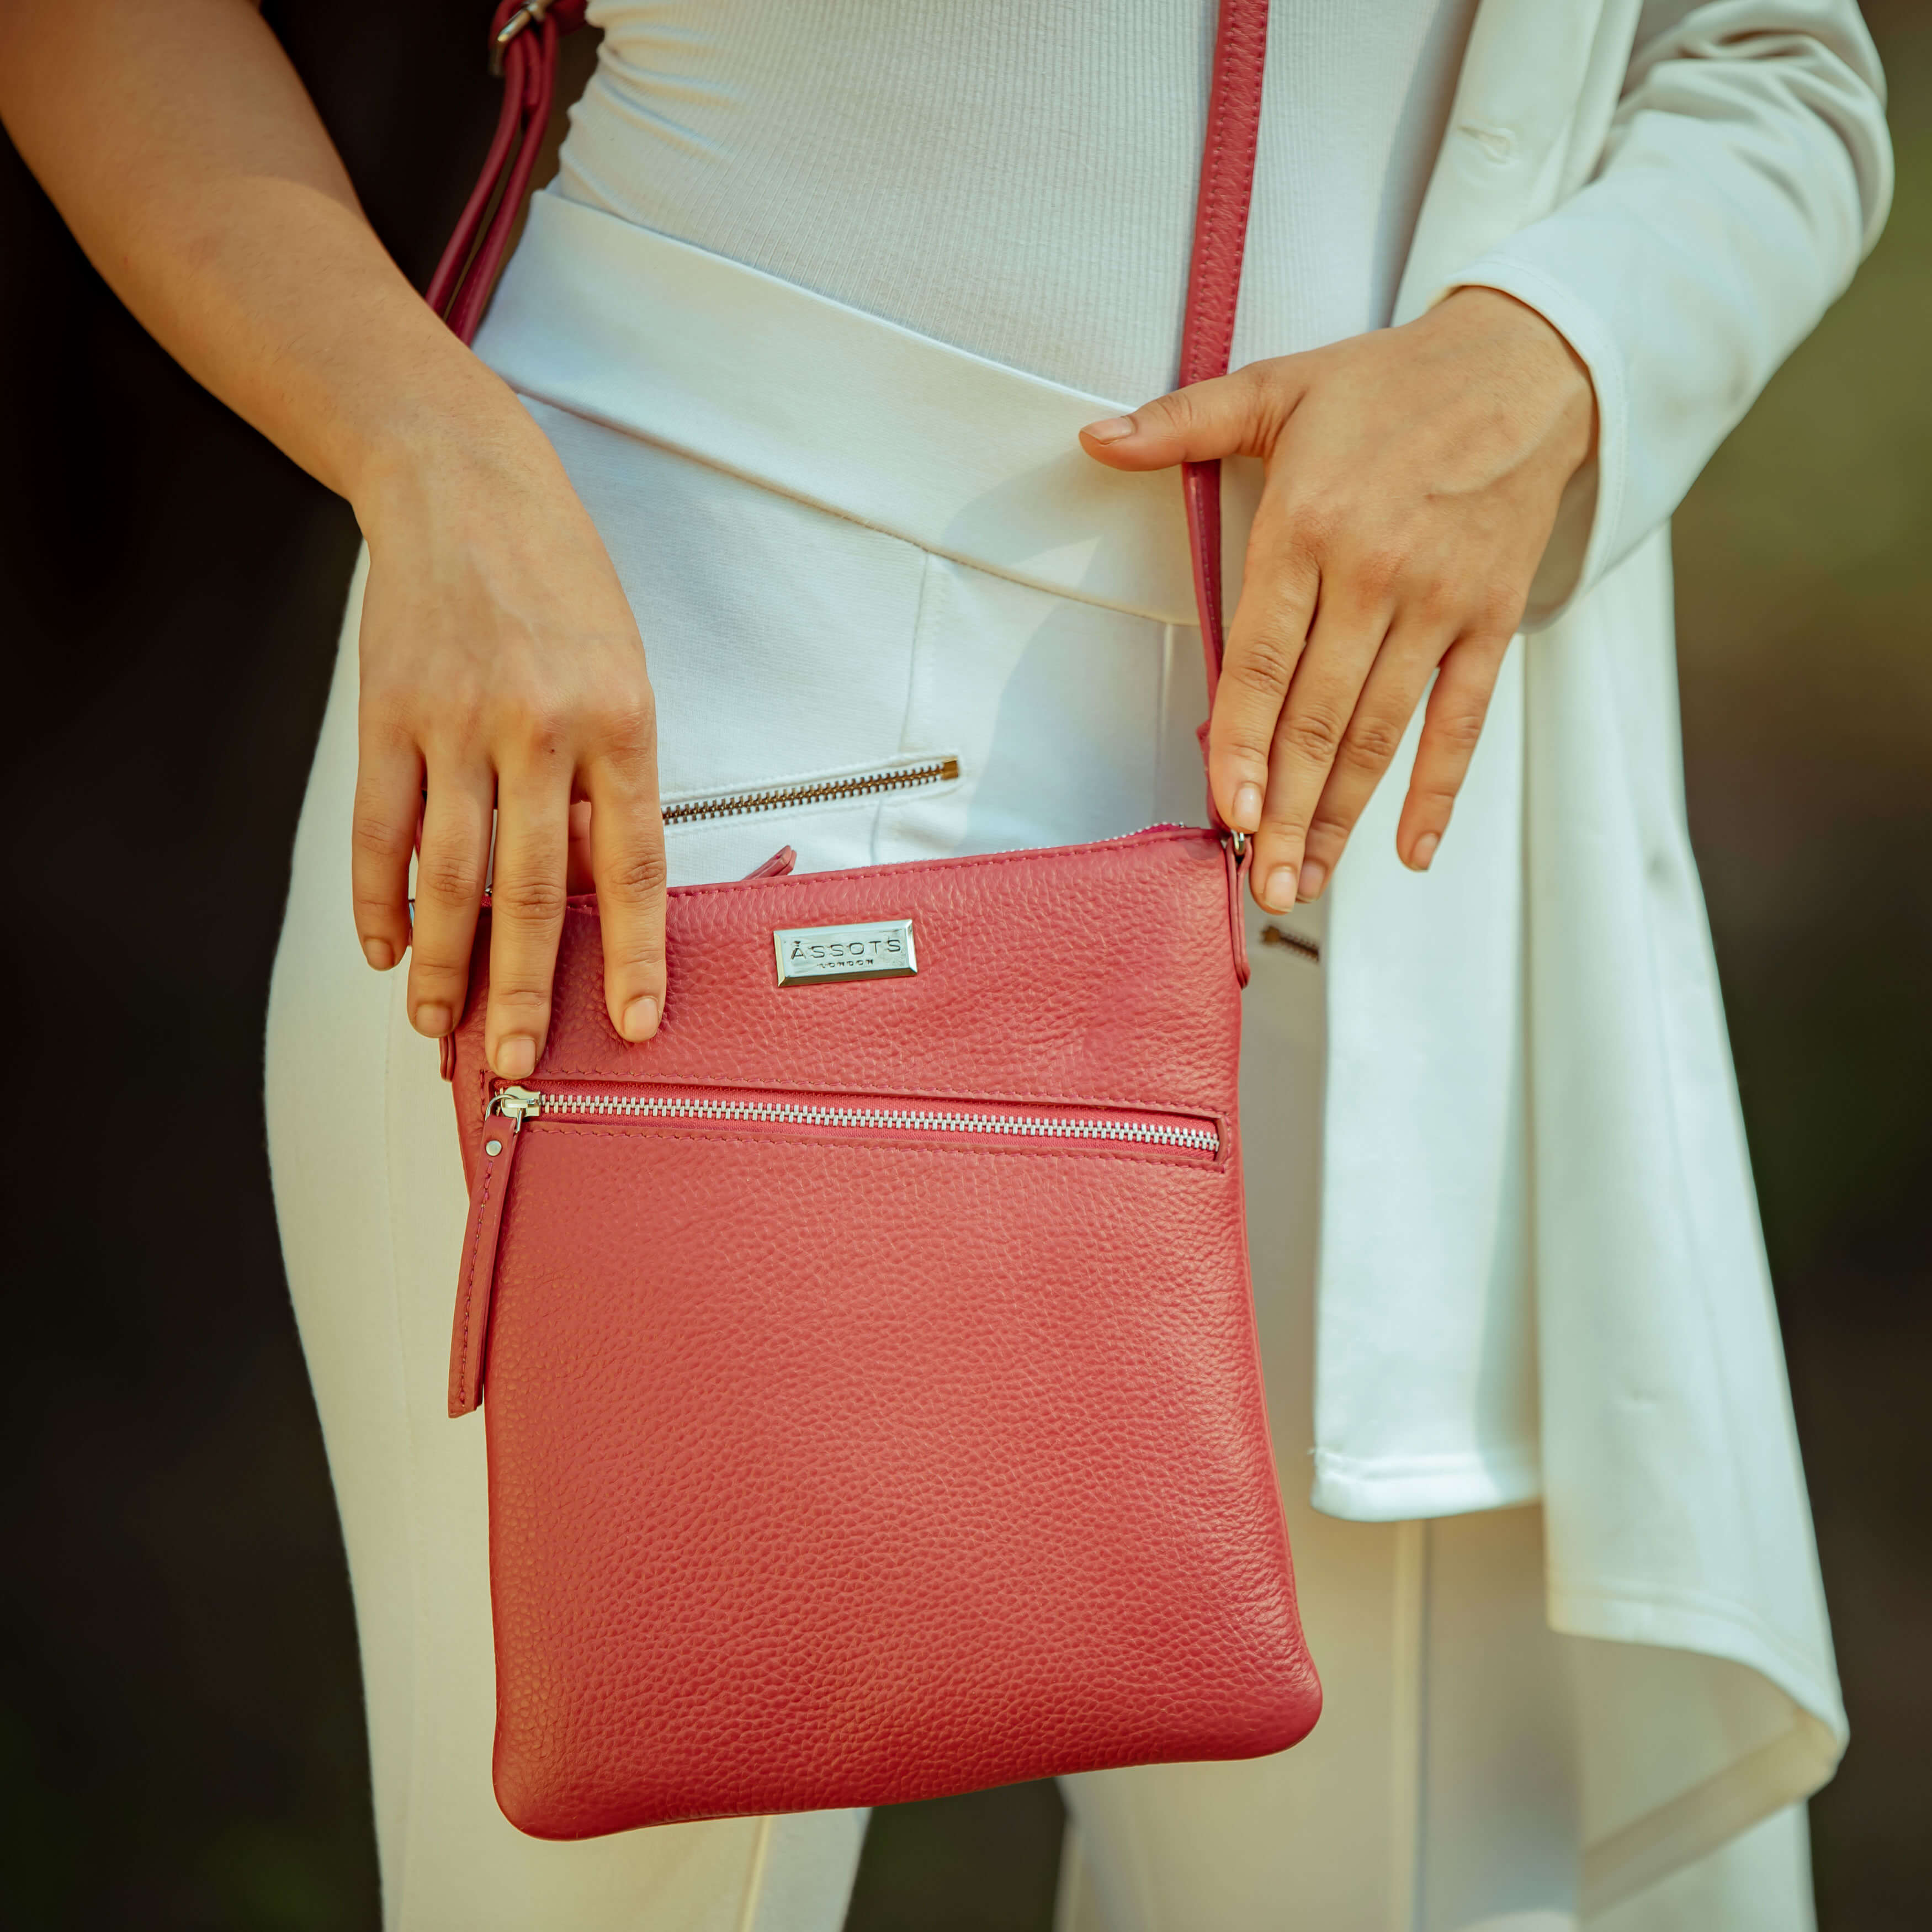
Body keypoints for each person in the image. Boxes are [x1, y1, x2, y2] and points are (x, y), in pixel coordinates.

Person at [0, 2, 1892, 1927]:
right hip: (643, 726)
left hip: (1382, 787)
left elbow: (1775, 60)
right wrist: (429, 458)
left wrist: (1554, 352)